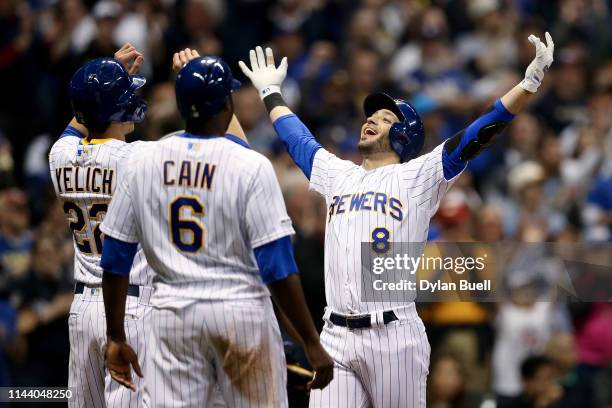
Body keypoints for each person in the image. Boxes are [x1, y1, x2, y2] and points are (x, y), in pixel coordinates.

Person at [239, 31, 555, 407]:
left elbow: (477, 133)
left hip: (393, 335)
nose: (371, 119)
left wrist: (528, 84)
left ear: (404, 133)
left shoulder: (420, 175)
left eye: (385, 118)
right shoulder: (338, 173)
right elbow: (299, 141)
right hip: (335, 334)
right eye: (370, 115)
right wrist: (270, 94)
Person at [99, 54, 333, 407]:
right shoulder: (250, 165)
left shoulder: (142, 160)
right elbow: (278, 269)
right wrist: (312, 344)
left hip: (171, 313)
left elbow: (115, 257)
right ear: (228, 103)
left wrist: (116, 335)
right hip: (238, 312)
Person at [48, 43, 154, 407]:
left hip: (81, 310)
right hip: (129, 309)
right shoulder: (135, 157)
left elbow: (79, 119)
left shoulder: (58, 155)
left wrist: (106, 73)